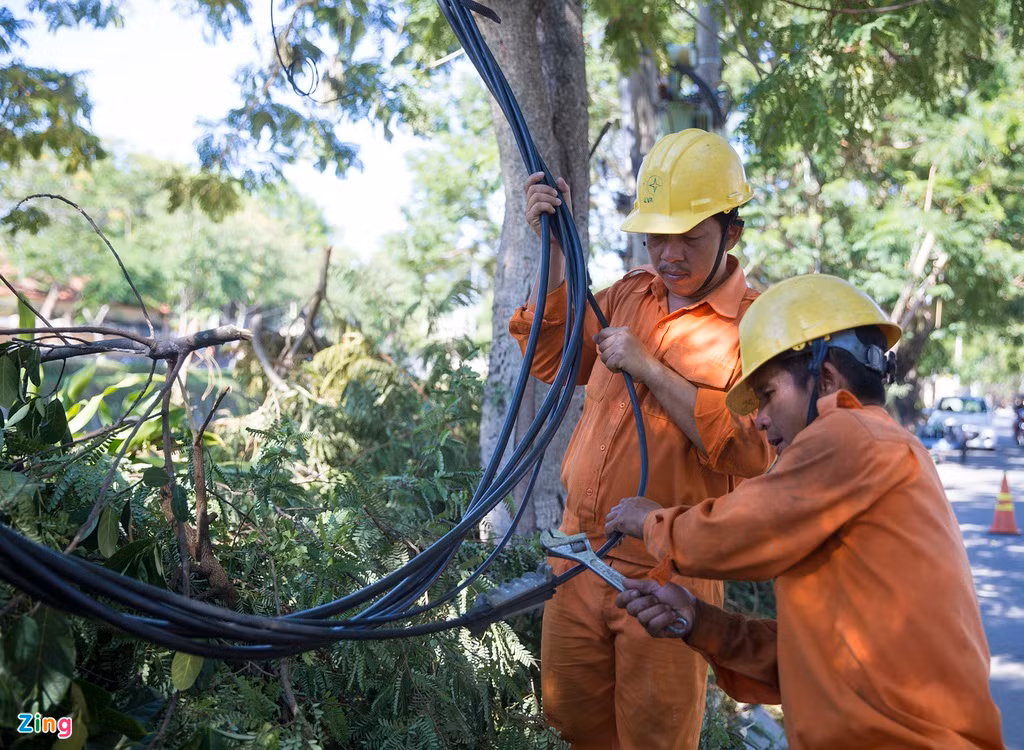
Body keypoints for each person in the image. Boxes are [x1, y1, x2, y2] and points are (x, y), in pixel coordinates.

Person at [606, 274, 1005, 749]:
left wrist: (653, 522)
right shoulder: (870, 461)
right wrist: (698, 620)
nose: (758, 419)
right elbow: (806, 660)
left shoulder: (852, 435)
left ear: (828, 379)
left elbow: (737, 532)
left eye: (768, 395)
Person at [509, 129, 774, 749]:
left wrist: (650, 368)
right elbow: (549, 356)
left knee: (652, 742)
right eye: (657, 235)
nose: (669, 252)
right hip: (576, 559)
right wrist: (550, 247)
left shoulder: (756, 328)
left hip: (668, 576)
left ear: (731, 234)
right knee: (570, 731)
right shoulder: (630, 294)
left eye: (690, 237)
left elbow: (748, 450)